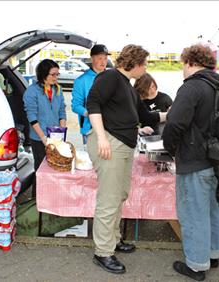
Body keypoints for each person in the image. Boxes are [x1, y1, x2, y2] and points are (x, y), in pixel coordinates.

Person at [86, 44, 166, 274]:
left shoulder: (127, 86)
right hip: (110, 144)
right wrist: (101, 138)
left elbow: (145, 116)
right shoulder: (110, 77)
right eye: (146, 64)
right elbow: (93, 104)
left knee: (119, 194)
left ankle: (113, 239)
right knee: (108, 199)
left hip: (123, 145)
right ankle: (103, 252)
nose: (146, 68)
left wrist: (172, 113)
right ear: (136, 63)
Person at [162, 44, 219, 281]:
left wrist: (170, 149)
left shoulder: (192, 87)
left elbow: (174, 124)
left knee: (193, 213)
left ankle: (196, 265)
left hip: (195, 159)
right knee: (214, 208)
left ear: (190, 62)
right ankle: (213, 254)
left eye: (183, 64)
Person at [23, 59, 66, 172]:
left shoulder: (58, 89)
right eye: (52, 74)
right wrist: (43, 137)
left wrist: (62, 131)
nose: (55, 77)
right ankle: (37, 190)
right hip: (38, 137)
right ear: (43, 74)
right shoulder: (32, 91)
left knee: (54, 168)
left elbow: (62, 111)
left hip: (55, 136)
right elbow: (31, 116)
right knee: (41, 170)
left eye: (57, 74)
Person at [71, 44, 110, 145]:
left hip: (111, 127)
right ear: (92, 59)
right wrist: (91, 113)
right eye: (100, 58)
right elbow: (75, 106)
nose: (103, 62)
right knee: (91, 159)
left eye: (105, 58)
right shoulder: (81, 80)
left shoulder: (112, 78)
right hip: (90, 129)